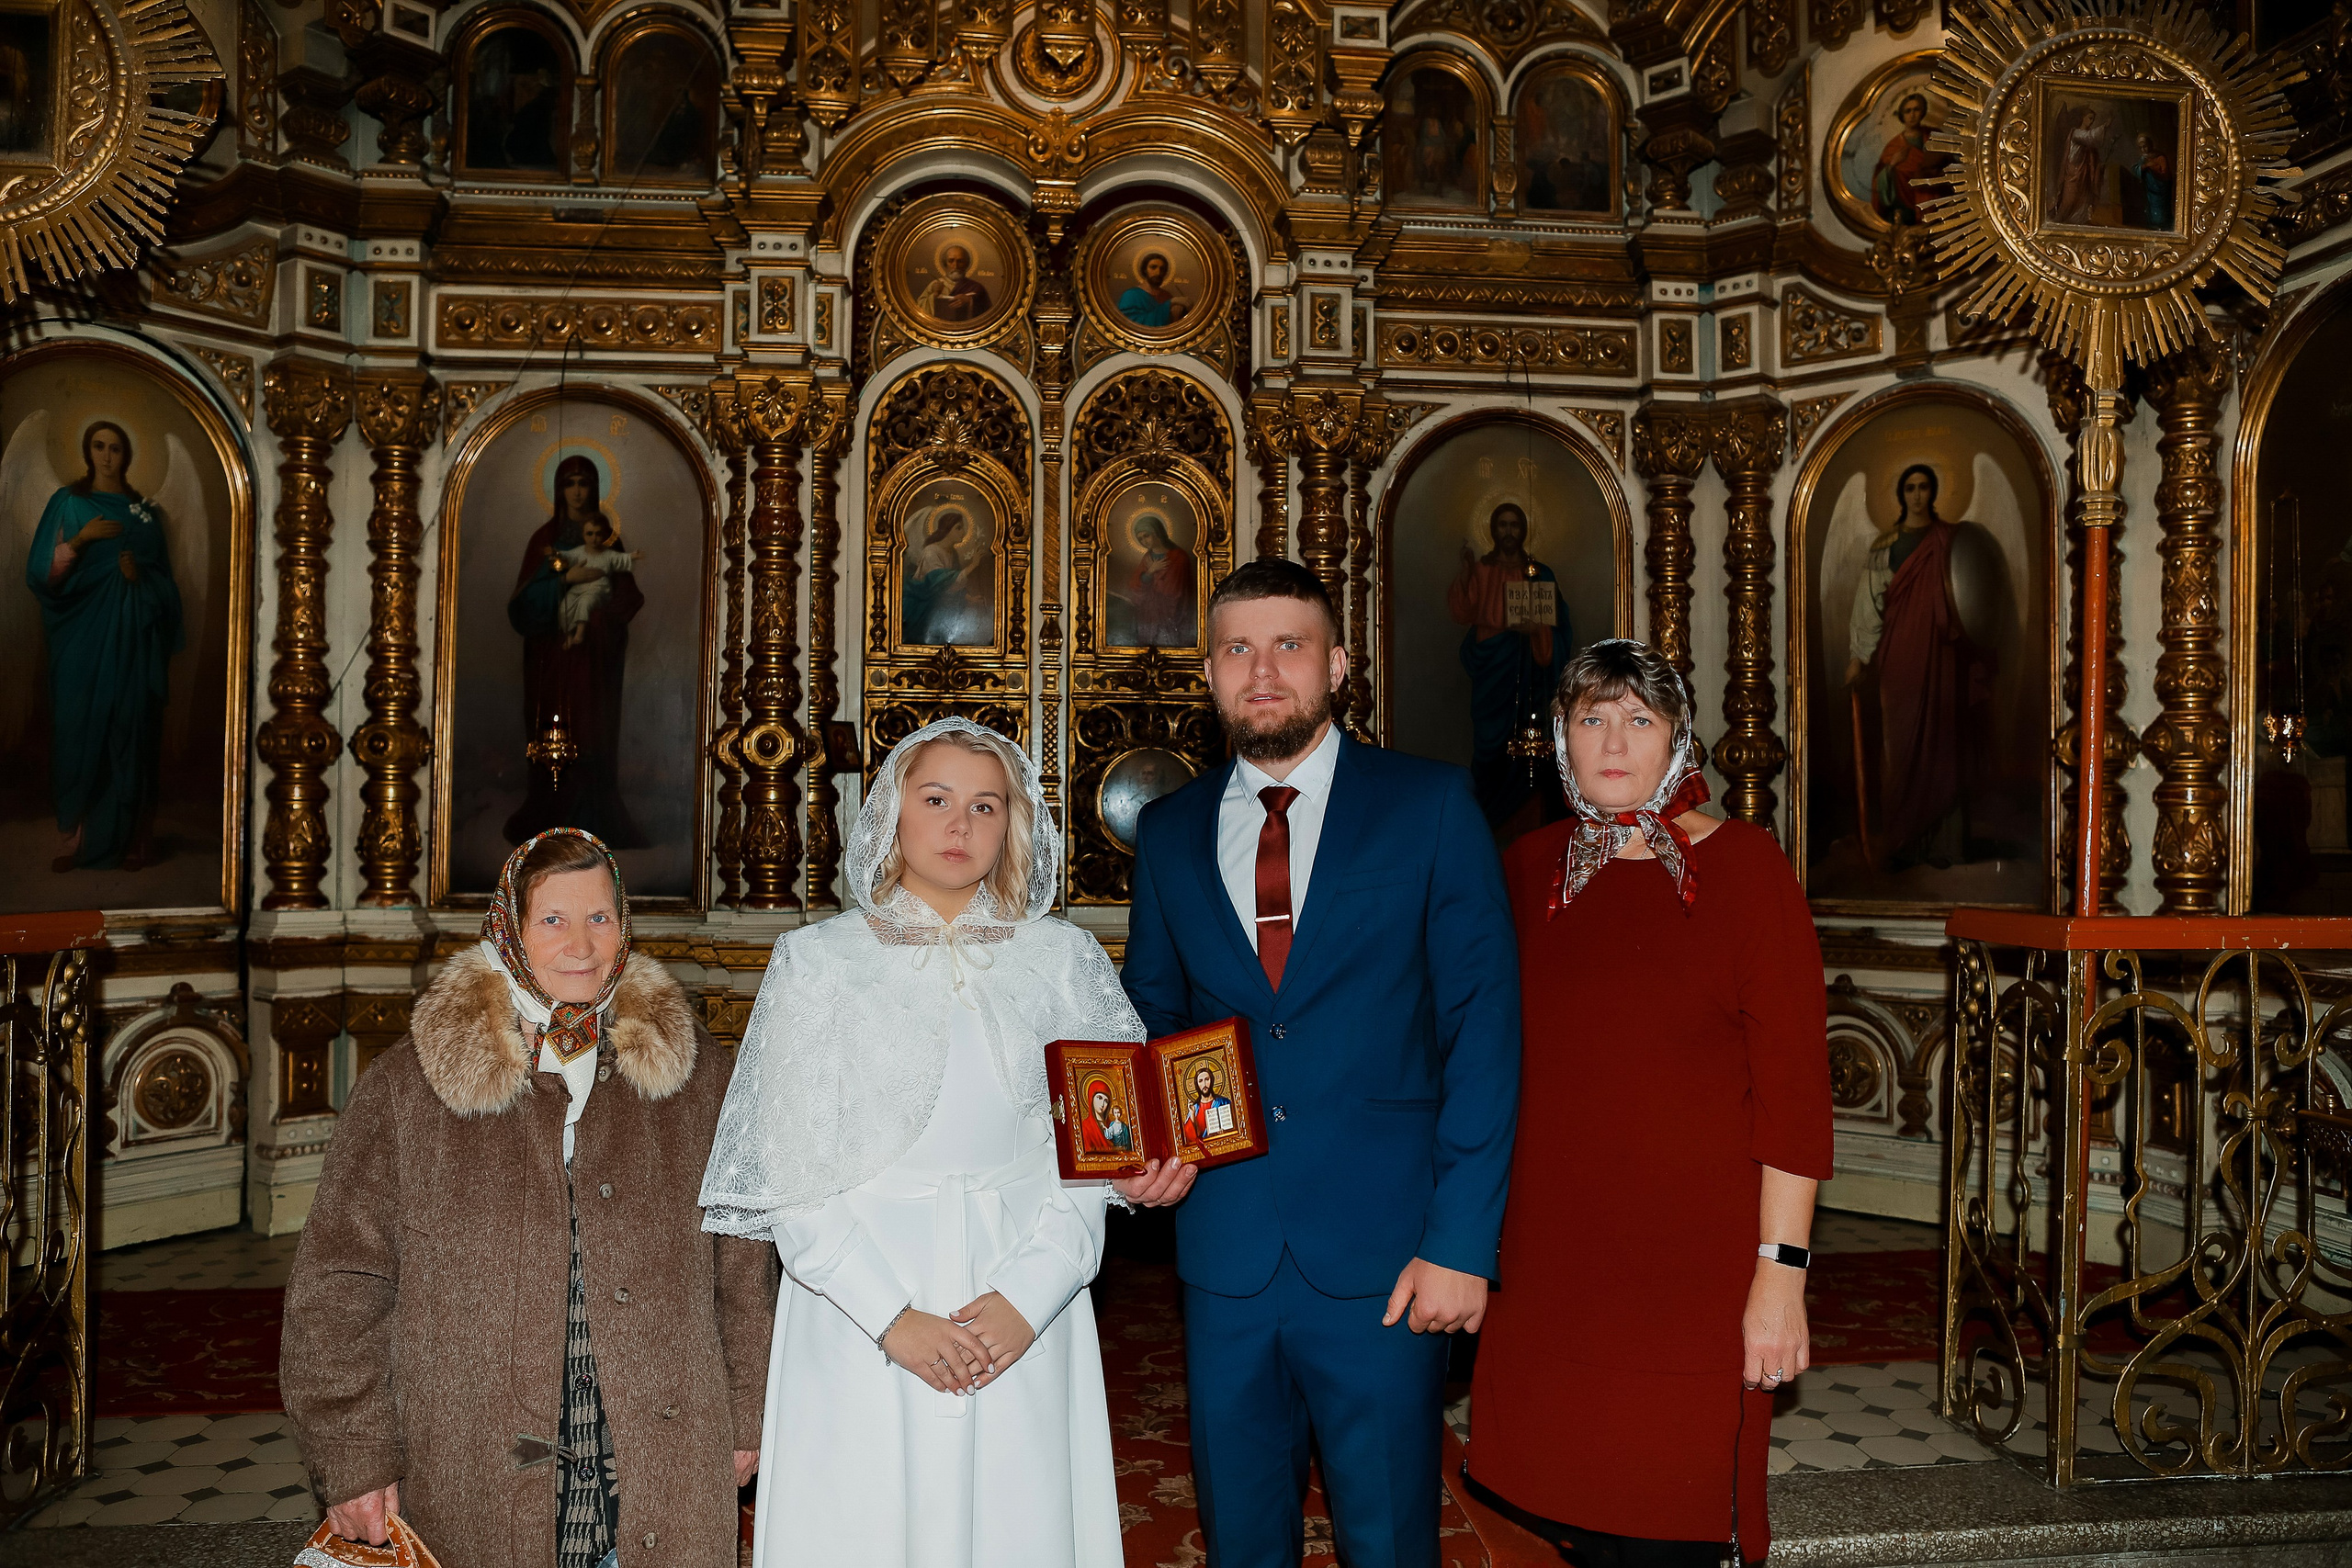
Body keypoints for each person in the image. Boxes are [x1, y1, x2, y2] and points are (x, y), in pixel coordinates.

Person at [700, 716, 1192, 1568]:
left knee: (1019, 1521)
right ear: (893, 812)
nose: (960, 824)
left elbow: (1093, 1152)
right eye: (936, 800)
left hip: (1018, 1290)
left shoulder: (1064, 959)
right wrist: (892, 1319)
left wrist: (1030, 1295)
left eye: (985, 805)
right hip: (864, 1303)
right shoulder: (817, 962)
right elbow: (790, 1176)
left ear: (1014, 825)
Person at [1122, 558, 1521, 1568]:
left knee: (1388, 1537)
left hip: (1390, 1254)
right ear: (1208, 672)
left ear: (1338, 664)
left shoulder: (1429, 805)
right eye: (1236, 648)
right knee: (1241, 1536)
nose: (1263, 669)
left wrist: (1463, 1242)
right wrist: (1141, 1145)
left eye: (1288, 645)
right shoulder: (1169, 834)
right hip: (1226, 1248)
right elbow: (1156, 1012)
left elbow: (1483, 1029)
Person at [282, 829, 776, 1568]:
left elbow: (742, 1266)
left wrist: (748, 1414)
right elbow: (340, 1283)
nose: (581, 943)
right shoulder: (409, 1086)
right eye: (552, 919)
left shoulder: (693, 1074)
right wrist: (355, 1452)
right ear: (508, 928)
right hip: (471, 1463)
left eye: (600, 917)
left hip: (659, 1451)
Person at [1466, 639, 1832, 1567]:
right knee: (1560, 1513)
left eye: (1639, 719)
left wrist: (1779, 1276)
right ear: (1559, 737)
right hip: (1552, 1267)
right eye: (1590, 718)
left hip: (1693, 1271)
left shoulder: (1747, 871)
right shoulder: (1525, 870)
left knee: (1668, 1521)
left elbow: (1795, 1098)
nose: (1614, 742)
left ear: (1678, 737)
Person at [24, 419, 183, 873]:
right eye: (99, 446)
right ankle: (75, 840)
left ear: (126, 455)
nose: (107, 456)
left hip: (131, 644)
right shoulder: (69, 503)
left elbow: (167, 590)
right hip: (79, 642)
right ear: (87, 451)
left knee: (129, 731)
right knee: (78, 731)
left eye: (115, 448)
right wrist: (81, 539)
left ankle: (133, 838)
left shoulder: (145, 514)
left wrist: (139, 581)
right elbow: (42, 576)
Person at [1844, 464, 1998, 868]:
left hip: (1944, 657)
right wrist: (1859, 656)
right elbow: (1869, 603)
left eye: (1924, 487)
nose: (1917, 494)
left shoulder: (1949, 541)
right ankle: (1903, 840)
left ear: (1933, 492)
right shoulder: (1886, 545)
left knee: (1944, 745)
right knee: (1901, 745)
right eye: (1910, 487)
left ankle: (1945, 845)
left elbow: (1969, 592)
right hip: (1900, 656)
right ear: (1900, 494)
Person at [506, 457, 645, 847]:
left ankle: (593, 818)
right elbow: (522, 607)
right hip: (551, 660)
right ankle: (548, 817)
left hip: (594, 662)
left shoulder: (608, 540)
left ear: (597, 488)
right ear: (558, 489)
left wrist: (600, 616)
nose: (579, 491)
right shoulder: (543, 541)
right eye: (571, 483)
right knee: (550, 737)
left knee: (592, 733)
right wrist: (562, 582)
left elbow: (628, 597)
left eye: (585, 483)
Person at [1448, 502, 1572, 835]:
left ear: (1524, 530)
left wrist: (1538, 633)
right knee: (1490, 749)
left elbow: (1559, 627)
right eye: (1502, 525)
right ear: (1492, 529)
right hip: (1493, 669)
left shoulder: (1540, 573)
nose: (1508, 532)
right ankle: (1485, 828)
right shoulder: (1482, 570)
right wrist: (1464, 572)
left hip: (1531, 675)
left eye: (1514, 525)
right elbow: (1463, 611)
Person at [552, 515, 639, 649]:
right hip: (579, 588)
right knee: (564, 606)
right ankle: (568, 636)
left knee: (585, 602)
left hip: (598, 589)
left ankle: (579, 634)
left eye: (598, 534)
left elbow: (621, 559)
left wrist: (633, 556)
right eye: (590, 534)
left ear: (603, 535)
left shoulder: (608, 554)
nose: (594, 538)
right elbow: (566, 556)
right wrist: (555, 553)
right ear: (583, 535)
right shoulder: (579, 552)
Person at [1871, 92, 1953, 226]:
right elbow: (1878, 181)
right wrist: (1893, 164)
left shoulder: (1935, 136)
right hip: (1906, 208)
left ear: (1923, 111)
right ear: (1902, 115)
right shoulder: (1893, 147)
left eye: (1916, 109)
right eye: (1908, 111)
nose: (1912, 115)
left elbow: (1950, 165)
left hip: (1936, 200)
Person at [1122, 511, 1197, 647]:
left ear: (1157, 532)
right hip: (1147, 617)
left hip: (1170, 618)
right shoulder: (1147, 558)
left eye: (1147, 536)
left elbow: (1173, 592)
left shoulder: (1179, 557)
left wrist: (1153, 580)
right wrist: (1150, 572)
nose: (1145, 541)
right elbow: (1134, 587)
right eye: (1141, 539)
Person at [2052, 106, 2107, 223]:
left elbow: (2093, 155)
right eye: (2089, 118)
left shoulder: (2085, 135)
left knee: (2083, 198)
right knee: (2069, 199)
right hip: (2073, 171)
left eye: (2093, 119)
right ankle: (2061, 220)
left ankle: (2079, 221)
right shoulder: (2076, 133)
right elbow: (2090, 137)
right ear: (2082, 118)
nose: (2091, 121)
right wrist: (2105, 126)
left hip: (2084, 172)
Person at [918, 244, 991, 323]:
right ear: (945, 263)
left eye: (960, 261)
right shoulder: (934, 284)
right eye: (951, 261)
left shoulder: (977, 287)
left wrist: (970, 301)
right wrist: (935, 295)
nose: (955, 266)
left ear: (966, 264)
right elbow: (919, 311)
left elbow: (987, 314)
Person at [1116, 253, 1191, 328]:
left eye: (1162, 269)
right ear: (1145, 270)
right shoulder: (1130, 295)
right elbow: (1130, 324)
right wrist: (1169, 304)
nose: (1158, 273)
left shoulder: (1167, 296)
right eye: (1153, 267)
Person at [1180, 1064, 1234, 1143]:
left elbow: (1236, 1126)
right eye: (1200, 1081)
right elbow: (1191, 1137)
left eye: (1207, 1079)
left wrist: (1225, 1132)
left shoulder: (1224, 1102)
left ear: (1212, 1080)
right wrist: (1192, 1114)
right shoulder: (1195, 1107)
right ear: (1197, 1084)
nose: (1204, 1084)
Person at [2134, 131, 2173, 229]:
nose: (2143, 149)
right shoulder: (2143, 159)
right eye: (2141, 147)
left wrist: (2153, 168)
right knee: (2151, 211)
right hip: (2150, 191)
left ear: (2150, 145)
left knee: (2161, 214)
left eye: (2145, 146)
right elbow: (2136, 169)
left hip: (2161, 190)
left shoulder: (2160, 157)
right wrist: (2145, 166)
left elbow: (2165, 174)